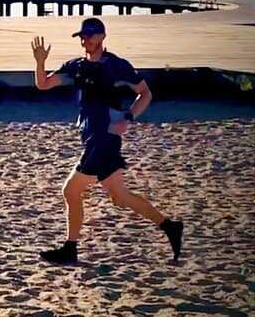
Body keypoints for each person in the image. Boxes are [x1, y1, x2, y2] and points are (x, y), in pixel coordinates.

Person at [31, 17, 183, 264]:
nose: (85, 40)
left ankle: (70, 248)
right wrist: (40, 62)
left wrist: (129, 116)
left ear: (102, 36)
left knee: (70, 190)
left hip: (103, 139)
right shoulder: (77, 66)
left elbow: (145, 93)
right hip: (93, 136)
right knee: (120, 196)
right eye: (82, 36)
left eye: (90, 35)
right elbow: (44, 84)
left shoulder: (116, 65)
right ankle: (169, 226)